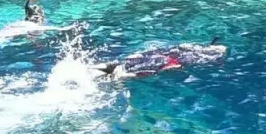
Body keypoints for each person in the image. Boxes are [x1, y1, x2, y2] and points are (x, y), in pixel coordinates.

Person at [92, 38, 227, 79]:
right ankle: (118, 75)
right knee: (135, 72)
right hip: (162, 62)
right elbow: (174, 66)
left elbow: (180, 48)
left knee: (125, 64)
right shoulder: (200, 56)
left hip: (156, 56)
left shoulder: (193, 48)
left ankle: (98, 70)